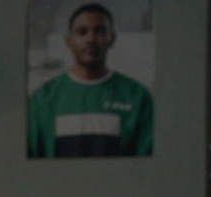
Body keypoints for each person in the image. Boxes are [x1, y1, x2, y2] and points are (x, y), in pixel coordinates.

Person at [27, 2, 154, 158]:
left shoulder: (138, 97)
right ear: (68, 41)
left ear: (112, 39)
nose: (91, 39)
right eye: (82, 32)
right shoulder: (42, 100)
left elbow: (147, 166)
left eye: (100, 31)